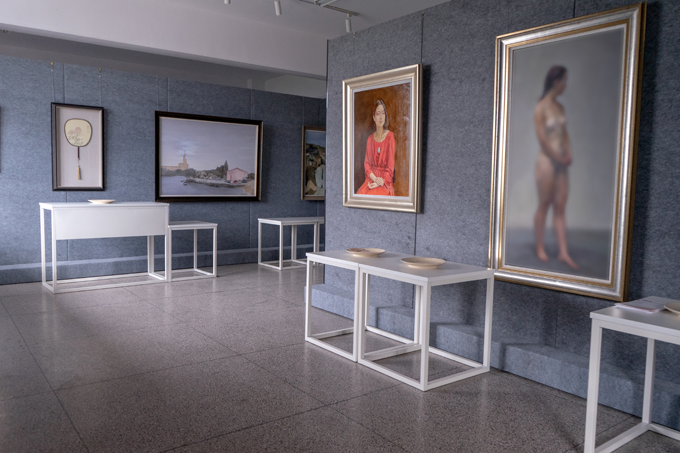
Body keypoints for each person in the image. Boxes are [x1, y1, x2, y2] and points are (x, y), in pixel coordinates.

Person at [533, 65, 578, 269]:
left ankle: (563, 252)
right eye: (564, 80)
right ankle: (540, 247)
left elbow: (564, 133)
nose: (566, 85)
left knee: (560, 206)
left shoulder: (560, 107)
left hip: (561, 162)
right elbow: (543, 140)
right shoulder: (541, 108)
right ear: (556, 81)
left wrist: (568, 153)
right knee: (544, 203)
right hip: (546, 162)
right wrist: (558, 158)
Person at [356, 99, 395, 196]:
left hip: (384, 181)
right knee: (360, 193)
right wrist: (375, 179)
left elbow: (390, 167)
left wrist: (380, 182)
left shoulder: (390, 137)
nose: (381, 117)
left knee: (374, 195)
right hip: (372, 178)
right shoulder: (370, 139)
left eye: (383, 113)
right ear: (374, 117)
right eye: (378, 114)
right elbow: (367, 164)